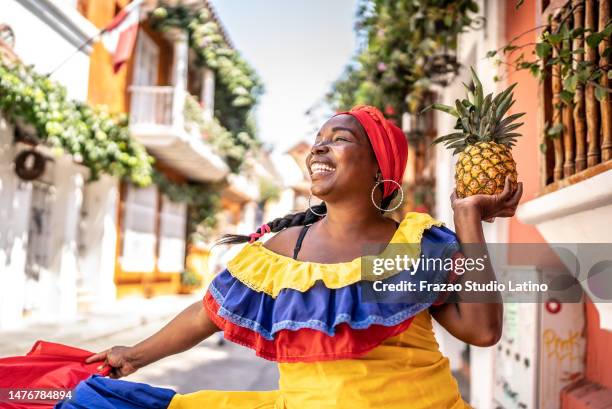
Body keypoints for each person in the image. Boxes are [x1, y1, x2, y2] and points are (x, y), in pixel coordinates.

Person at [82, 105, 522, 409]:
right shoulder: (279, 253)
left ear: (377, 167)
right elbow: (206, 315)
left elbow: (482, 331)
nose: (319, 148)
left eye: (340, 139)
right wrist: (135, 355)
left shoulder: (416, 244)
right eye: (318, 141)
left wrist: (468, 220)